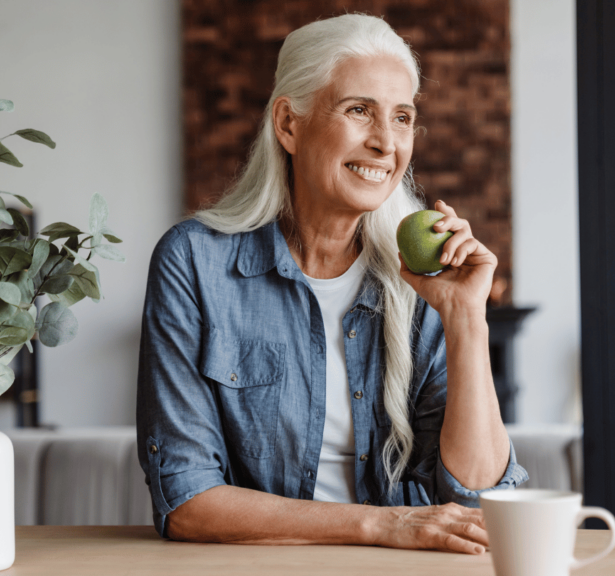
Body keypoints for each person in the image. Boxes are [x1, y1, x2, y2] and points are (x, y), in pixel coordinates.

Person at [136, 13, 527, 555]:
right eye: (359, 110)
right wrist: (382, 525)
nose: (386, 143)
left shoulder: (426, 279)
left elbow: (482, 501)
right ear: (288, 125)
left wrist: (466, 318)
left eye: (403, 117)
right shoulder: (195, 263)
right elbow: (186, 500)